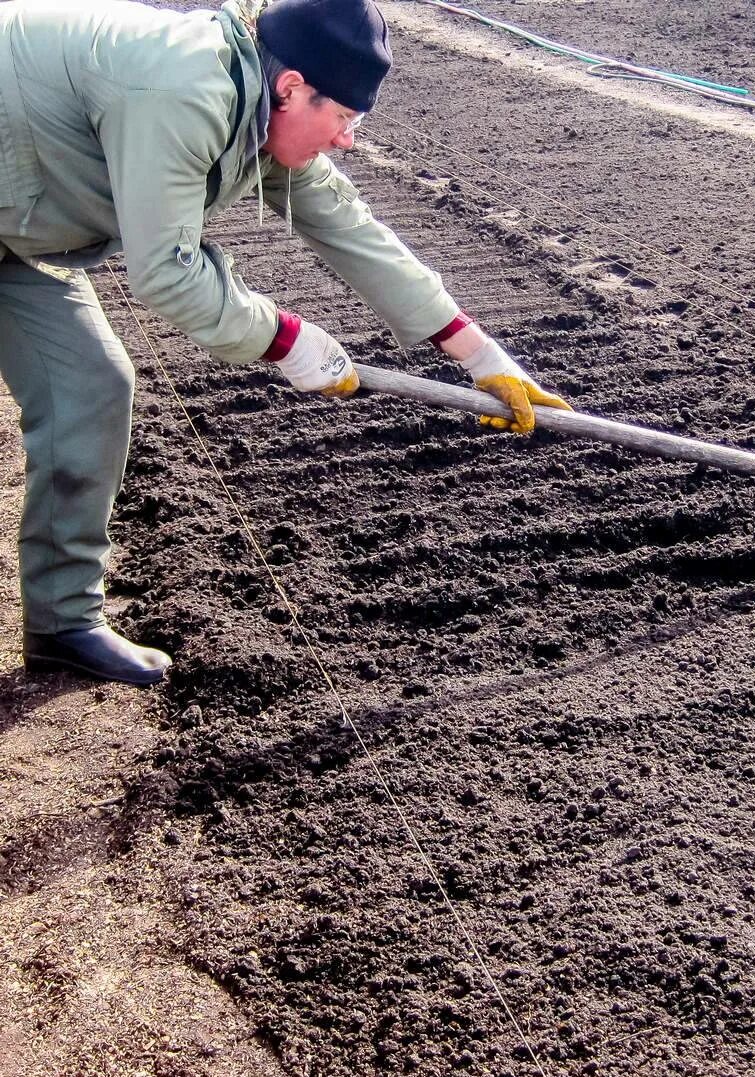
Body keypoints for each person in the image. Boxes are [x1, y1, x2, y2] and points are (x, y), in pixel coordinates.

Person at [0, 0, 570, 686]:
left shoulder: (258, 101)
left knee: (90, 388)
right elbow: (168, 274)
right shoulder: (185, 91)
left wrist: (478, 355)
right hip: (19, 198)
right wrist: (288, 341)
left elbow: (346, 223)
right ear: (294, 87)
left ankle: (63, 622)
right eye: (346, 119)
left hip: (20, 223)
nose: (348, 141)